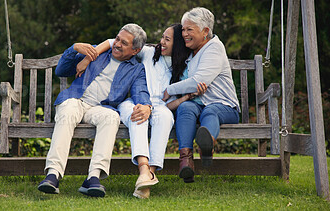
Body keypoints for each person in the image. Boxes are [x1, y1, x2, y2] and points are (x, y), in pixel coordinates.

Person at [78, 24, 206, 199]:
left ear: (177, 45)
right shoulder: (148, 53)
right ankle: (144, 168)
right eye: (162, 37)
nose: (161, 42)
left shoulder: (184, 66)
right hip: (135, 101)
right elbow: (111, 41)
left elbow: (168, 104)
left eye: (167, 40)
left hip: (160, 107)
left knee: (165, 117)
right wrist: (88, 58)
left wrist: (185, 98)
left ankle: (147, 175)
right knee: (137, 115)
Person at [37, 23, 153, 198]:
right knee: (68, 110)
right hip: (76, 100)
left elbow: (140, 91)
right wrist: (74, 48)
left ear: (135, 50)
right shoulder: (96, 52)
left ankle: (93, 178)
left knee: (112, 117)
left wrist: (146, 105)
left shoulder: (135, 69)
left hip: (100, 108)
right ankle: (53, 175)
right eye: (117, 39)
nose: (117, 44)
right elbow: (61, 71)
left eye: (124, 43)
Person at [163, 7, 240, 183]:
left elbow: (198, 81)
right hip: (197, 104)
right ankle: (186, 161)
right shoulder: (191, 52)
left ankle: (207, 144)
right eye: (183, 29)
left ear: (205, 31)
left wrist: (169, 90)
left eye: (189, 29)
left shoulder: (214, 47)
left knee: (210, 111)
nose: (184, 34)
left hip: (224, 106)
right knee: (185, 107)